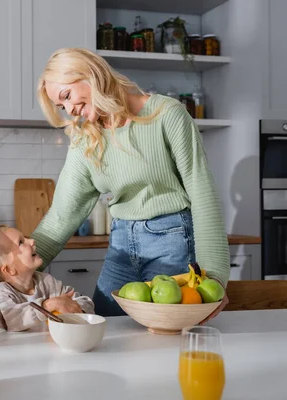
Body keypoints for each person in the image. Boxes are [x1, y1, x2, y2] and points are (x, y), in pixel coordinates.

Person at [31, 48, 230, 318]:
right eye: (61, 106)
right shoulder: (85, 138)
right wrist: (18, 267)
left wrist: (215, 276)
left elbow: (202, 191)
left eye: (66, 96)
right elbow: (62, 216)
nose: (69, 110)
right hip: (122, 246)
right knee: (104, 328)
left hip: (172, 241)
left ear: (89, 74)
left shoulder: (166, 114)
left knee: (164, 338)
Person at [0, 225, 94, 332]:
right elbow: (7, 318)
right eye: (21, 242)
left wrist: (78, 310)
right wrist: (47, 306)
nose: (32, 241)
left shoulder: (47, 282)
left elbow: (85, 302)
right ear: (9, 269)